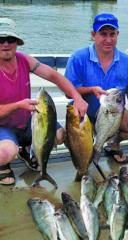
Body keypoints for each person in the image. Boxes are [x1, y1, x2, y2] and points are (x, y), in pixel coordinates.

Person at [0, 18, 88, 186]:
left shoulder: (24, 60)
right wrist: (18, 105)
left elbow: (55, 76)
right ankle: (3, 165)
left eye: (10, 39)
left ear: (17, 42)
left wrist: (77, 97)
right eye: (1, 40)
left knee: (60, 134)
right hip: (3, 126)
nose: (5, 44)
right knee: (5, 152)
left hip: (28, 121)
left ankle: (29, 152)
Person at [65, 13, 128, 164]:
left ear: (118, 34)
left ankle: (113, 144)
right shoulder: (78, 57)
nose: (108, 39)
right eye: (103, 34)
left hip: (113, 114)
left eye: (112, 34)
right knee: (71, 135)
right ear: (93, 35)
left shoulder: (127, 62)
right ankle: (84, 151)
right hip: (85, 112)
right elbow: (68, 90)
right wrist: (91, 90)